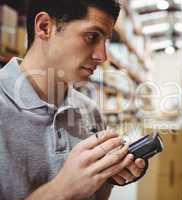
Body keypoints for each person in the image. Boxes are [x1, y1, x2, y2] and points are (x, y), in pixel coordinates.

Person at [0, 0, 147, 199]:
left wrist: (109, 176)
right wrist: (63, 189)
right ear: (45, 27)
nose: (102, 56)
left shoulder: (90, 111)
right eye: (92, 36)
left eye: (106, 41)